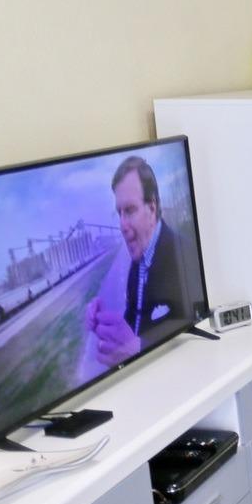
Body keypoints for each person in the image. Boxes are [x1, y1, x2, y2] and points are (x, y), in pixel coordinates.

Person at [85, 155, 189, 367]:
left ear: (152, 209)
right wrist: (104, 324)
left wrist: (138, 350)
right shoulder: (136, 268)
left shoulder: (184, 257)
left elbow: (195, 334)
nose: (122, 225)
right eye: (119, 213)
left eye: (130, 210)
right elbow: (133, 324)